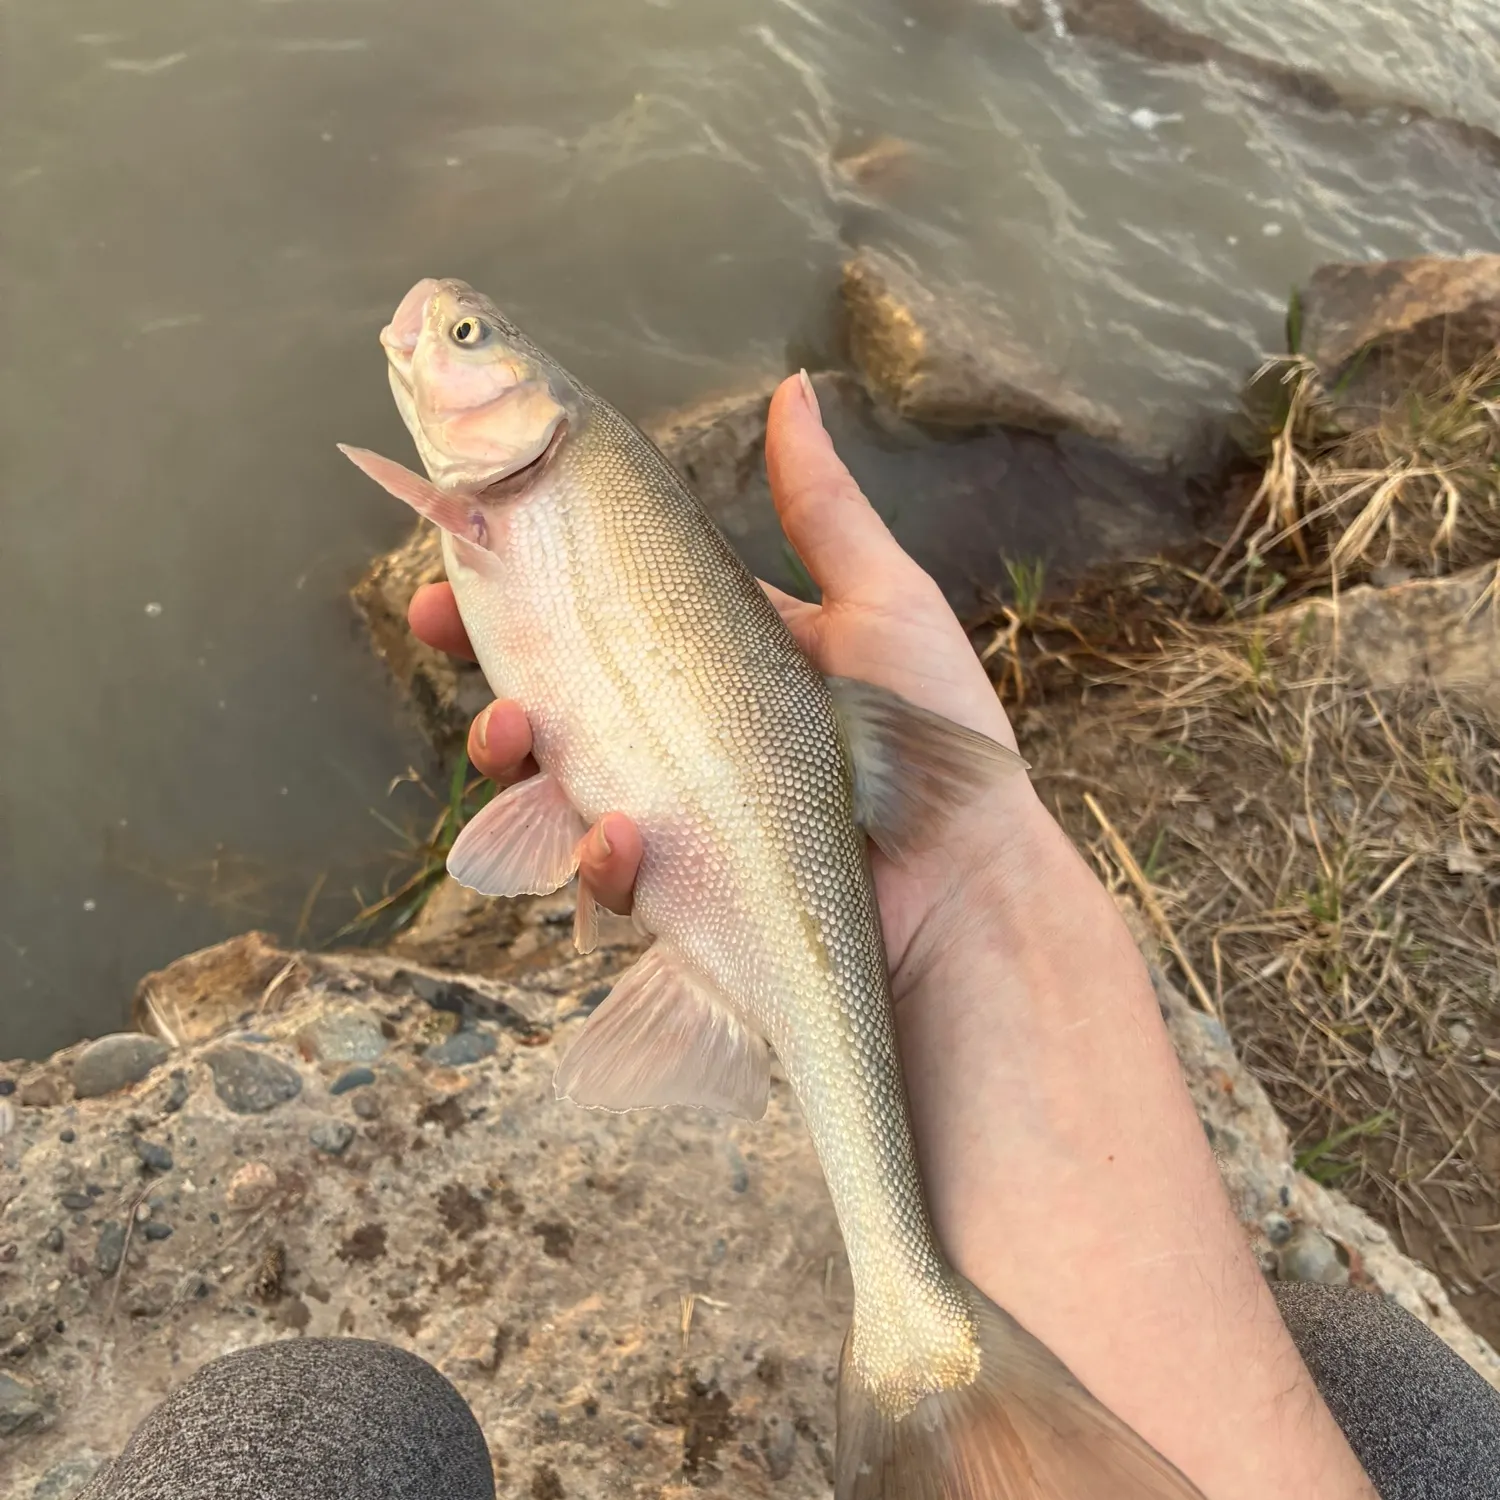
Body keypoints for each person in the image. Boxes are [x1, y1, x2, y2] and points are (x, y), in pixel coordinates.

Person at [86, 376, 1499, 1500]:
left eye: (465, 340)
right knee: (1373, 1370)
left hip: (813, 860)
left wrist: (969, 859)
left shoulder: (527, 488)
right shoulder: (528, 495)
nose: (429, 346)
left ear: (535, 410)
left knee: (318, 1431)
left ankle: (920, 1328)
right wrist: (991, 888)